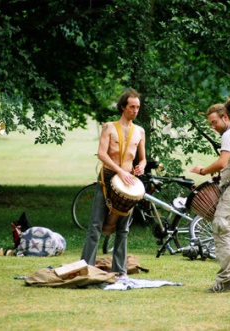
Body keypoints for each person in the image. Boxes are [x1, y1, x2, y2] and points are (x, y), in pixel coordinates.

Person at [189, 96, 230, 293]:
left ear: (225, 117)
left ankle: (226, 279)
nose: (213, 127)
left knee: (221, 227)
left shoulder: (229, 135)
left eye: (214, 122)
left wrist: (202, 171)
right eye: (210, 124)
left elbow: (222, 162)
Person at [81, 88, 146, 278]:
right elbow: (101, 154)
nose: (135, 110)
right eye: (132, 107)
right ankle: (87, 267)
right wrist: (119, 171)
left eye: (138, 107)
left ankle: (120, 270)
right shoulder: (109, 127)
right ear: (123, 107)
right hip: (108, 179)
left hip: (128, 182)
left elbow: (142, 159)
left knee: (123, 228)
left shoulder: (140, 131)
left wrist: (140, 167)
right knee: (95, 225)